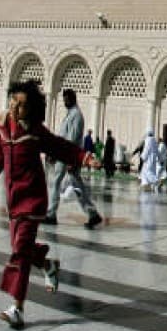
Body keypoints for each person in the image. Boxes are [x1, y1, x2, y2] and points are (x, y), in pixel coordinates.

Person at [0, 80, 96, 329]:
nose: (15, 107)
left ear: (31, 109)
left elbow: (59, 145)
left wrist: (84, 156)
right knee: (21, 248)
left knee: (20, 251)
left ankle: (18, 308)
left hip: (33, 199)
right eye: (13, 101)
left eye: (21, 105)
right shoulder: (2, 129)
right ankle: (47, 264)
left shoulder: (34, 131)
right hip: (13, 200)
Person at [43, 90, 102, 228]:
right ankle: (93, 214)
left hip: (68, 155)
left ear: (73, 99)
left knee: (58, 182)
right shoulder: (71, 114)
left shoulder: (76, 115)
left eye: (67, 100)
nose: (65, 102)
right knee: (76, 185)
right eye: (64, 100)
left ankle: (51, 214)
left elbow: (72, 139)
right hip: (65, 154)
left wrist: (68, 158)